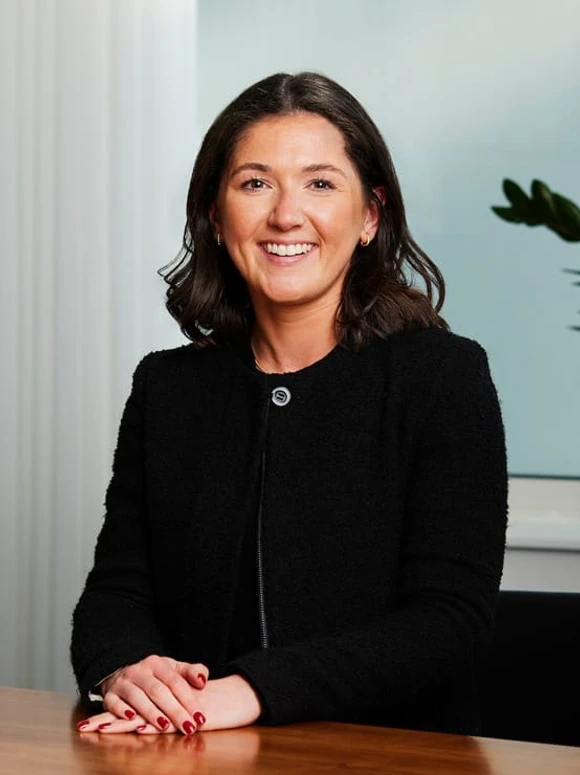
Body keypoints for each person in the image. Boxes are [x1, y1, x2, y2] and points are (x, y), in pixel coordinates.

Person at [71, 71, 508, 737]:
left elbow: (448, 623)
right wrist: (124, 668)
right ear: (216, 218)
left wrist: (250, 689)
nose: (285, 214)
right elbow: (117, 593)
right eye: (254, 182)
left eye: (321, 182)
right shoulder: (168, 388)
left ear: (370, 215)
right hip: (197, 752)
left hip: (393, 756)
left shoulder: (443, 376)